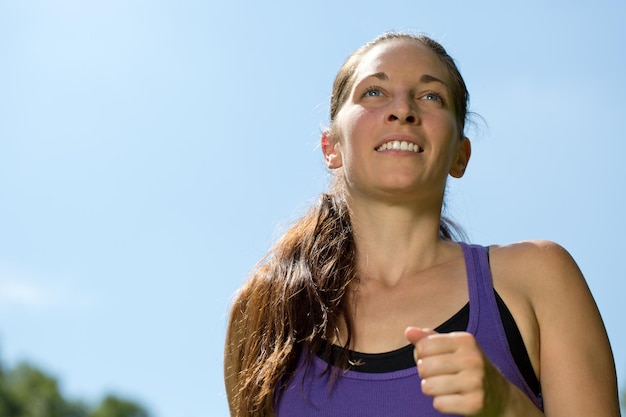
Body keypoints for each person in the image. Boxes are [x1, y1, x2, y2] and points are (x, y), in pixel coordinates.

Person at [223, 32, 621, 417]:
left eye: (431, 96)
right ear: (332, 147)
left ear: (460, 155)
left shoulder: (538, 278)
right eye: (373, 92)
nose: (403, 110)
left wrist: (508, 408)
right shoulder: (264, 309)